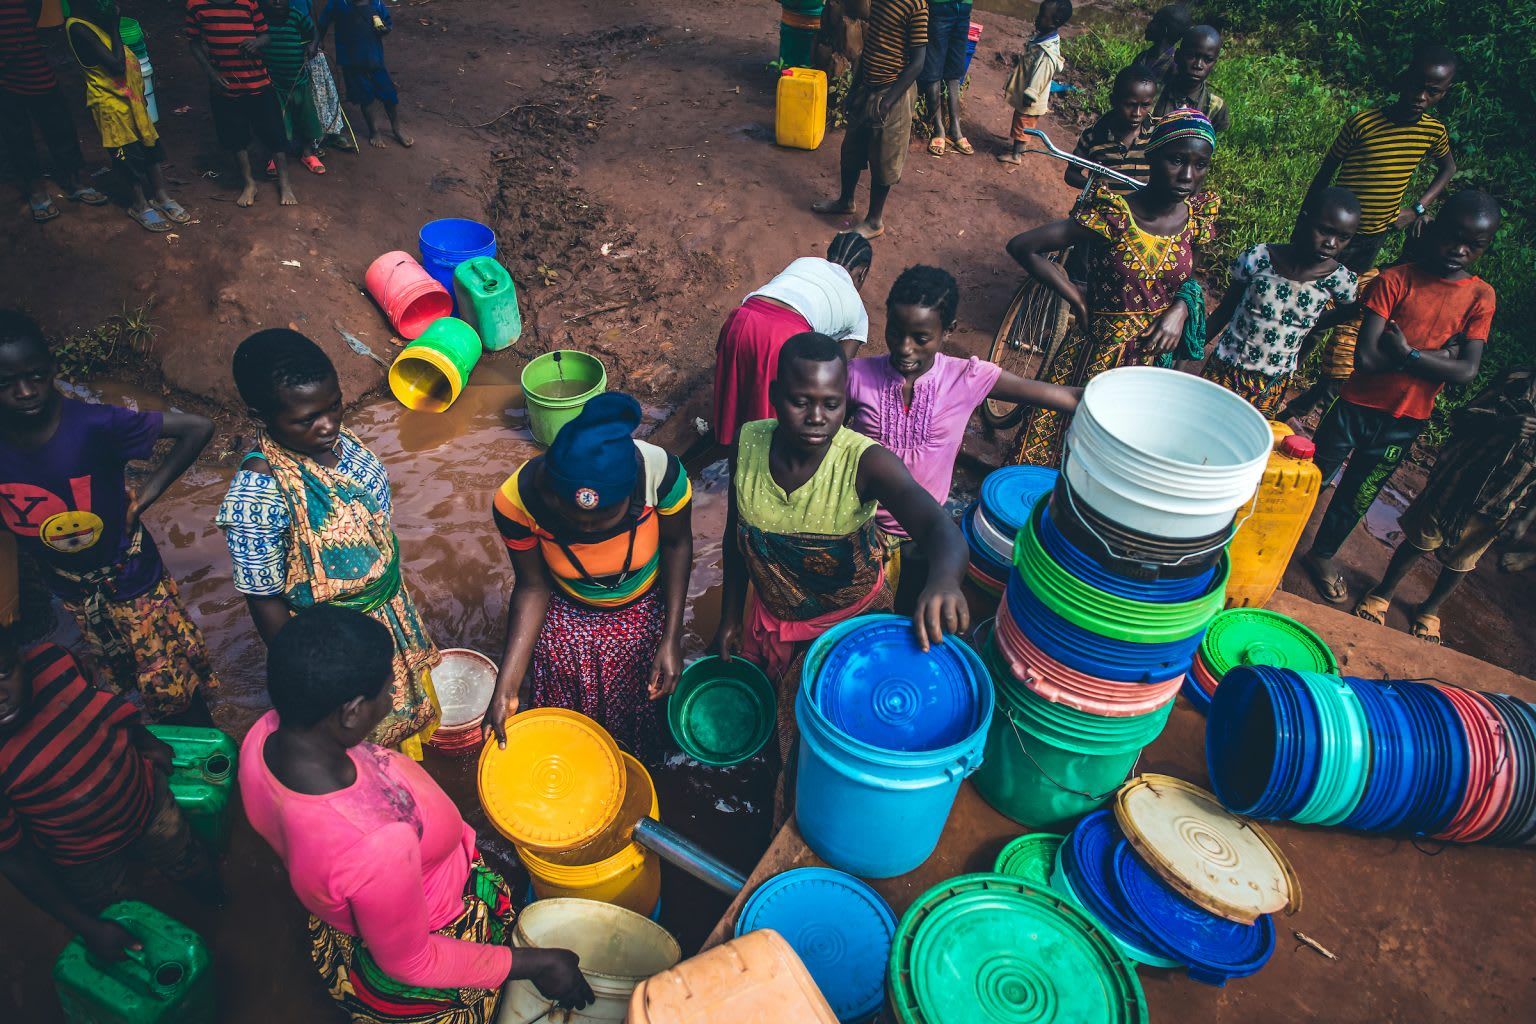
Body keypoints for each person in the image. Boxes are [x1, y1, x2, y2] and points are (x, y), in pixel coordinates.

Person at [240, 606, 595, 1024]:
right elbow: (412, 961)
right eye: (386, 689)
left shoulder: (263, 738)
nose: (394, 694)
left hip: (367, 914)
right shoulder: (373, 843)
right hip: (434, 930)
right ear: (351, 713)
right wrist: (538, 964)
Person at [712, 333, 971, 820]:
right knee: (767, 724)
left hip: (845, 631)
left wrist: (944, 579)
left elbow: (939, 528)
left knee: (824, 750)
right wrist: (728, 616)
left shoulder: (865, 462)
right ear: (775, 396)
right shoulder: (748, 443)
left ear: (844, 404)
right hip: (770, 617)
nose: (816, 417)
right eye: (800, 402)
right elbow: (734, 536)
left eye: (831, 404)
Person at [216, 329, 441, 755]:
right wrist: (313, 682)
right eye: (306, 419)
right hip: (335, 646)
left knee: (406, 721)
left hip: (388, 610)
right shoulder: (258, 496)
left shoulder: (340, 442)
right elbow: (264, 599)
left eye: (334, 406)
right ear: (262, 417)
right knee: (361, 745)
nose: (328, 425)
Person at [0, 311, 219, 720]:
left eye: (36, 377)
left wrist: (148, 494)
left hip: (129, 573)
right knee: (119, 671)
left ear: (53, 368)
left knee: (171, 678)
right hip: (68, 585)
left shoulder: (95, 425)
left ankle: (198, 733)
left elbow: (197, 427)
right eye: (6, 383)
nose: (25, 392)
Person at [1300, 190, 1499, 605]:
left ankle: (1321, 554)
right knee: (1313, 477)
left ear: (1486, 247)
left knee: (1357, 495)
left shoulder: (1481, 297)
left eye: (1474, 245)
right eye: (1453, 236)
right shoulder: (1396, 280)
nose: (1459, 250)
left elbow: (1467, 372)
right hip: (1354, 405)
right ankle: (1278, 532)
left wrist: (1408, 353)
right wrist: (1440, 358)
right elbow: (1367, 358)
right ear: (1436, 228)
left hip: (1406, 420)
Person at [847, 265, 1079, 605]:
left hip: (925, 535)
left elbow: (1063, 396)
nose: (905, 348)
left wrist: (1115, 398)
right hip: (858, 531)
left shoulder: (966, 378)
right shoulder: (856, 377)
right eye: (896, 332)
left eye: (920, 338)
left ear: (948, 331)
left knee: (912, 610)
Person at [1005, 108, 1220, 467]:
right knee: (1061, 454)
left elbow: (1187, 280)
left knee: (1120, 465)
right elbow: (1023, 247)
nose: (1187, 175)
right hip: (1093, 360)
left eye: (1200, 165)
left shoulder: (1194, 219)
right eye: (1177, 160)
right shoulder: (1113, 215)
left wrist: (1181, 309)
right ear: (1152, 156)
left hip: (1149, 370)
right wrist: (1076, 297)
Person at [486, 393, 693, 763]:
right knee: (566, 720)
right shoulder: (516, 502)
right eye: (573, 520)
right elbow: (533, 586)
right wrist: (507, 685)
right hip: (567, 607)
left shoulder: (661, 474)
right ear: (551, 495)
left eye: (602, 522)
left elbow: (677, 545)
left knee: (646, 701)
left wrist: (671, 636)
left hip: (644, 602)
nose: (586, 531)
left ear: (630, 495)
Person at [0, 627, 220, 963]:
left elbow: (104, 707)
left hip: (148, 803)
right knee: (124, 918)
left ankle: (221, 911)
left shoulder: (56, 662)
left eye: (3, 672)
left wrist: (147, 742)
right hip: (86, 860)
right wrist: (86, 927)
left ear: (19, 653)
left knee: (194, 867)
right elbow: (15, 858)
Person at [1353, 366, 1534, 644]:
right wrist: (1502, 424)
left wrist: (1525, 519)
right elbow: (1461, 418)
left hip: (1498, 502)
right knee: (1419, 540)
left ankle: (1429, 609)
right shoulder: (1515, 382)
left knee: (1462, 561)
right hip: (1455, 482)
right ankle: (1383, 592)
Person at [1200, 188, 1363, 417]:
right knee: (1202, 419)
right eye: (1325, 231)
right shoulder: (1259, 258)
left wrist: (1310, 323)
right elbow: (1225, 309)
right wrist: (1191, 349)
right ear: (1304, 220)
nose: (1331, 243)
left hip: (1271, 383)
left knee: (1249, 434)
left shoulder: (1340, 280)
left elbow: (1348, 310)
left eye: (1343, 238)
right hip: (1225, 366)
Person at [1303, 45, 1458, 276]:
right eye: (1416, 86)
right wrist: (1306, 218)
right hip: (1334, 227)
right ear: (1406, 78)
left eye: (1432, 92)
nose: (1421, 97)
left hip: (1374, 234)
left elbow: (1448, 168)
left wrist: (1417, 208)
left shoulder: (1433, 132)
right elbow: (1326, 171)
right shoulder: (1363, 123)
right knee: (1308, 276)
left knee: (1349, 283)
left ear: (1445, 92)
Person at [713, 231, 874, 446]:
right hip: (783, 337)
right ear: (862, 273)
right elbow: (837, 373)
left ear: (829, 257)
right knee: (771, 419)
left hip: (741, 319)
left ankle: (725, 446)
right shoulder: (858, 311)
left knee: (735, 400)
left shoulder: (804, 262)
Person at [64, 0, 192, 233]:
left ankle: (161, 196)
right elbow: (116, 65)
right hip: (111, 106)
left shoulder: (94, 20)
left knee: (149, 146)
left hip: (131, 100)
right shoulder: (78, 27)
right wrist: (114, 25)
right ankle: (139, 204)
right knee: (127, 156)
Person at [811, 0, 927, 239]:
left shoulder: (917, 7)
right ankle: (846, 201)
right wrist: (854, 89)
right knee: (851, 148)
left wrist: (888, 102)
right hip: (868, 85)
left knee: (884, 159)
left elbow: (918, 63)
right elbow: (870, 48)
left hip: (894, 92)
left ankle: (874, 221)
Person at [0, 0, 110, 222]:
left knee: (59, 123)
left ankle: (74, 180)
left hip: (33, 59)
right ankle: (36, 190)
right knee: (18, 135)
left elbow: (36, 14)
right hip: (5, 71)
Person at [185, 0, 297, 207]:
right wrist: (211, 73)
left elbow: (266, 35)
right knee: (235, 136)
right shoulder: (196, 5)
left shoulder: (248, 2)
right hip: (225, 86)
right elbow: (194, 42)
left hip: (259, 83)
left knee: (275, 133)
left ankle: (285, 183)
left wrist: (257, 43)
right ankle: (249, 183)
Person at [317, 0, 411, 148]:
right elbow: (323, 22)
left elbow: (387, 24)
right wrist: (318, 41)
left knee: (389, 95)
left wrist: (384, 29)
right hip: (351, 61)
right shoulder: (339, 3)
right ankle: (374, 131)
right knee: (365, 97)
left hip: (374, 59)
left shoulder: (376, 3)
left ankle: (396, 129)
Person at [997, 0, 1071, 166]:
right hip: (1030, 92)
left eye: (1042, 16)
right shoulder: (1044, 38)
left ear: (1055, 22)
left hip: (1031, 96)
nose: (1037, 18)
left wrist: (1030, 94)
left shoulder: (1047, 55)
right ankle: (1020, 148)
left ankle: (1016, 155)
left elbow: (1040, 76)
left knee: (1022, 124)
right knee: (1023, 122)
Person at [1065, 64, 1159, 193]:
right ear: (1113, 101)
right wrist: (1091, 184)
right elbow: (1071, 173)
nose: (1137, 113)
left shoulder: (1158, 134)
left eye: (1145, 105)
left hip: (1143, 206)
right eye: (1130, 104)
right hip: (1103, 204)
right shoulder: (1093, 135)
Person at [258, 0, 327, 173]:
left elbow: (314, 32)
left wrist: (313, 45)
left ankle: (307, 153)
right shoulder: (261, 20)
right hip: (273, 83)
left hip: (299, 81)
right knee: (277, 121)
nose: (277, 2)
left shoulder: (296, 16)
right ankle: (276, 156)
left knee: (306, 118)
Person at [920, 0, 973, 158]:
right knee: (933, 69)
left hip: (964, 8)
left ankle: (955, 129)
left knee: (954, 72)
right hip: (940, 6)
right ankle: (939, 129)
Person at [1151, 25, 1229, 133]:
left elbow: (1220, 140)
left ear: (1214, 64)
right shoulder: (1153, 93)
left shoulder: (1216, 107)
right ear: (1177, 56)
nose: (1198, 65)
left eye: (1207, 60)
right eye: (1191, 56)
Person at [1131, 3, 1191, 81]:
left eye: (1154, 21)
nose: (1149, 24)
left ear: (1164, 30)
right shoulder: (1142, 57)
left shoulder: (1174, 67)